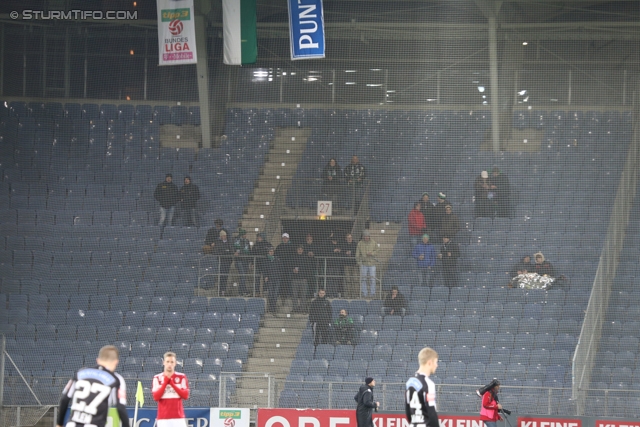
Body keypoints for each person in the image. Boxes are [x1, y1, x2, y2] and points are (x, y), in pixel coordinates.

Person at [57, 345, 129, 427]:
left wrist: (59, 424)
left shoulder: (80, 373)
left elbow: (64, 399)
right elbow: (120, 407)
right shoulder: (116, 379)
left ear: (97, 360)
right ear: (116, 362)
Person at [152, 351, 190, 427]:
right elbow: (156, 397)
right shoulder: (157, 378)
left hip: (178, 418)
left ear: (175, 363)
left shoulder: (181, 377)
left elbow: (185, 396)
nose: (169, 364)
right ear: (164, 363)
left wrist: (172, 384)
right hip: (163, 418)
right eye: (168, 361)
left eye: (172, 362)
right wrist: (166, 382)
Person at [405, 347, 439, 427]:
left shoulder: (409, 382)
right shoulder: (428, 383)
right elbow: (431, 411)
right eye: (436, 362)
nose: (437, 365)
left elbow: (407, 410)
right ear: (430, 362)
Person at [356, 230, 379, 298]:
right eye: (365, 237)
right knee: (363, 279)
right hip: (363, 264)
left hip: (372, 263)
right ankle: (364, 293)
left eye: (367, 236)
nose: (366, 238)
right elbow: (357, 254)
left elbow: (377, 250)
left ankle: (372, 293)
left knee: (372, 279)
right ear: (363, 237)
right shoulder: (360, 243)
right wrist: (359, 262)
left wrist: (372, 253)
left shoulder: (374, 242)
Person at [291, 245, 312, 312]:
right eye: (298, 249)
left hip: (303, 279)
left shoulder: (306, 258)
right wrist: (293, 270)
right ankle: (295, 308)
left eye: (301, 249)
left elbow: (309, 269)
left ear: (303, 250)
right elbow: (290, 267)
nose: (300, 250)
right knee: (294, 295)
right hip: (295, 279)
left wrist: (306, 277)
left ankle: (303, 309)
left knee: (303, 295)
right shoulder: (293, 258)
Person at [275, 233, 297, 299]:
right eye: (283, 238)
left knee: (288, 280)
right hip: (281, 267)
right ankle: (280, 293)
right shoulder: (279, 246)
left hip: (289, 267)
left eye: (286, 238)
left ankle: (289, 294)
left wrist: (293, 266)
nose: (285, 239)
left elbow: (294, 257)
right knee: (281, 280)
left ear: (288, 239)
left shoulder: (292, 247)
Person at [323, 232, 344, 298]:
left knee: (335, 280)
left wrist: (339, 251)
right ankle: (329, 293)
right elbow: (325, 252)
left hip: (337, 265)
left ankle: (334, 293)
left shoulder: (339, 245)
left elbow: (342, 253)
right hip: (330, 265)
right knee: (329, 279)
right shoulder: (328, 244)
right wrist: (333, 251)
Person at [263, 246, 283, 313]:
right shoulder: (266, 260)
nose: (271, 253)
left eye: (272, 251)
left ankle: (273, 308)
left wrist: (279, 275)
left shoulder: (277, 259)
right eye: (270, 251)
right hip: (270, 279)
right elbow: (264, 269)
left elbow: (281, 268)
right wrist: (265, 276)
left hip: (277, 279)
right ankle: (271, 308)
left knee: (275, 294)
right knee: (271, 294)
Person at [215, 230, 234, 296]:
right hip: (222, 262)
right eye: (223, 236)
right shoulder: (218, 243)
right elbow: (217, 252)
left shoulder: (229, 243)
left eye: (225, 235)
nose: (224, 237)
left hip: (228, 262)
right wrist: (225, 252)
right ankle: (220, 290)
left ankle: (223, 290)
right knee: (222, 276)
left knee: (225, 276)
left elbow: (231, 251)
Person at [233, 229, 251, 296]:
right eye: (244, 234)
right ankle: (243, 291)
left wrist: (250, 261)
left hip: (246, 261)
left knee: (243, 276)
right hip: (239, 260)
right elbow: (232, 248)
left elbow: (249, 251)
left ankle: (241, 291)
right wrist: (234, 252)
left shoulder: (247, 241)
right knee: (242, 275)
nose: (246, 235)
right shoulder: (236, 240)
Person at [341, 233, 359, 298]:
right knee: (348, 280)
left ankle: (356, 295)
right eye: (348, 238)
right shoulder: (343, 245)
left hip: (354, 264)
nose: (349, 239)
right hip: (346, 265)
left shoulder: (355, 244)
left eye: (350, 238)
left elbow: (357, 253)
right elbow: (341, 253)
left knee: (355, 279)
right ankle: (349, 295)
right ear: (346, 239)